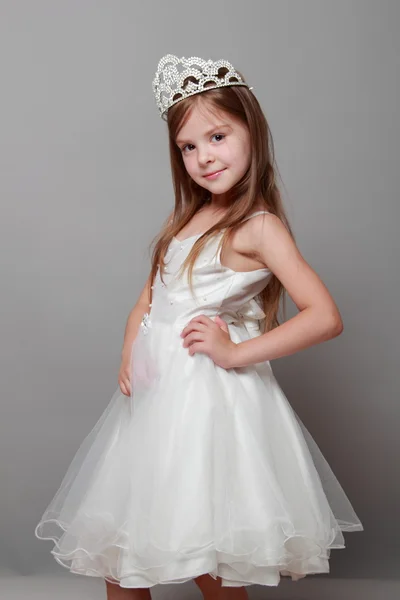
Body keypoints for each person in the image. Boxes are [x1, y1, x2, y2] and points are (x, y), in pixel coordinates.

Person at [35, 54, 363, 599]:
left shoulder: (258, 225)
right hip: (152, 404)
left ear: (250, 133)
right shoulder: (188, 218)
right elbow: (150, 295)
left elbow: (325, 316)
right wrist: (128, 351)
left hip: (205, 407)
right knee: (123, 549)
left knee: (208, 552)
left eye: (217, 137)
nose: (204, 158)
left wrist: (239, 352)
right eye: (188, 147)